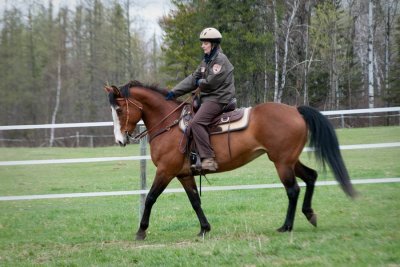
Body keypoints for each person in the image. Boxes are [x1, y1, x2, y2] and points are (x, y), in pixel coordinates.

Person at [165, 27, 236, 171]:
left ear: (214, 44)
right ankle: (193, 156)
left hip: (219, 98)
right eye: (202, 43)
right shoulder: (206, 61)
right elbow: (193, 78)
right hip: (208, 98)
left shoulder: (220, 60)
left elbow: (211, 82)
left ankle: (208, 159)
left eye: (205, 42)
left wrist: (200, 83)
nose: (202, 45)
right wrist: (173, 92)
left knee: (196, 123)